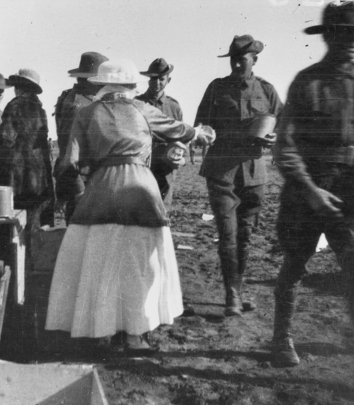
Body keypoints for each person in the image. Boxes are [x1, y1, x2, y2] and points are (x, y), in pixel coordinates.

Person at [46, 59, 214, 353]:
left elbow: (68, 162)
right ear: (131, 85)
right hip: (141, 189)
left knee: (101, 261)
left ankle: (101, 332)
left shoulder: (86, 113)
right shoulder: (142, 109)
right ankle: (136, 336)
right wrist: (199, 133)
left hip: (101, 188)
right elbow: (179, 129)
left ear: (102, 84)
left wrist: (75, 192)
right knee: (140, 264)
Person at [271, 2, 354, 377]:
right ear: (329, 36)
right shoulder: (306, 82)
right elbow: (285, 146)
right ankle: (281, 338)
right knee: (294, 264)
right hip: (308, 191)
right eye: (345, 32)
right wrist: (310, 190)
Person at [195, 34, 283, 317]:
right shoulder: (217, 88)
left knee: (245, 235)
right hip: (222, 170)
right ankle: (231, 294)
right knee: (228, 234)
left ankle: (238, 289)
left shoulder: (266, 90)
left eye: (241, 59)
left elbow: (283, 123)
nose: (236, 64)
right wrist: (208, 134)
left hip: (254, 173)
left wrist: (274, 137)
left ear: (254, 60)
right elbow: (201, 124)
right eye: (232, 59)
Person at [0, 68, 54, 230]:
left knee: (17, 221)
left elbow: (6, 139)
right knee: (35, 221)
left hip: (19, 176)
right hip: (39, 175)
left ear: (19, 87)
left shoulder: (14, 106)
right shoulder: (41, 110)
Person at [54, 51, 108, 223]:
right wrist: (79, 190)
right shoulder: (78, 106)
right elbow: (68, 151)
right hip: (81, 183)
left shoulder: (85, 100)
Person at [136, 58, 185, 209]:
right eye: (153, 78)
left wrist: (180, 158)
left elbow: (181, 137)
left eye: (161, 79)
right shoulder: (137, 103)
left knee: (163, 210)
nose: (156, 82)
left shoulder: (173, 106)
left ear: (168, 80)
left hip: (166, 168)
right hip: (141, 166)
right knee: (140, 208)